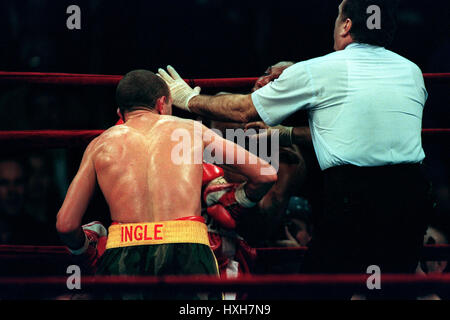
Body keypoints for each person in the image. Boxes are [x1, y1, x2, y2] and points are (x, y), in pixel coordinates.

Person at [158, 0, 432, 299]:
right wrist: (286, 133)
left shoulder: (320, 70)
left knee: (319, 289)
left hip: (355, 196)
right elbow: (356, 133)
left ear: (347, 25)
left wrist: (188, 99)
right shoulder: (411, 72)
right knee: (388, 289)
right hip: (411, 195)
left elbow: (244, 111)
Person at [55, 69, 277, 300]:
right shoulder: (190, 131)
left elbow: (65, 224)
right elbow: (266, 174)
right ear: (162, 103)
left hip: (122, 249)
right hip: (187, 248)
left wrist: (85, 251)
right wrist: (237, 201)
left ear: (120, 111)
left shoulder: (100, 144)